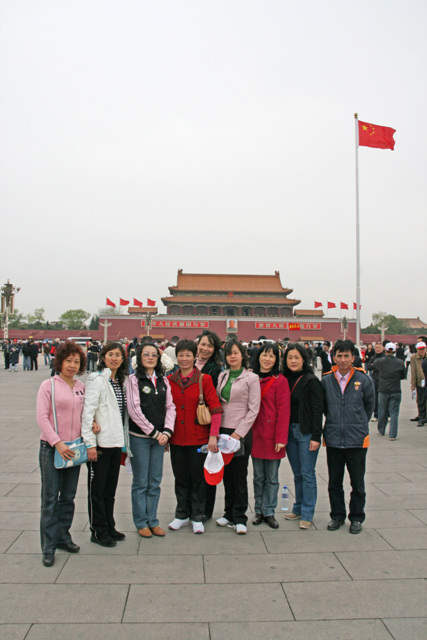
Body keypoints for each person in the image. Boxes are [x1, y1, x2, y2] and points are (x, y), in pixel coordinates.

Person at [36, 340, 86, 567]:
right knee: (50, 498)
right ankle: (48, 546)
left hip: (74, 448)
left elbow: (84, 415)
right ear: (60, 362)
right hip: (52, 448)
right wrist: (57, 443)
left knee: (68, 497)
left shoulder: (81, 386)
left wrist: (92, 425)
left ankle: (63, 536)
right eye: (68, 361)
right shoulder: (49, 385)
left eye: (76, 361)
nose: (72, 365)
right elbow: (42, 417)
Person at [168, 339, 223, 534]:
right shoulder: (170, 380)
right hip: (177, 439)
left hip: (198, 439)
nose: (184, 359)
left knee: (198, 479)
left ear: (194, 357)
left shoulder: (203, 379)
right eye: (181, 355)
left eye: (188, 355)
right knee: (180, 478)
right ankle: (182, 514)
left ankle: (198, 515)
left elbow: (216, 409)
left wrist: (213, 436)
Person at [321, 340, 374, 535]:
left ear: (353, 358)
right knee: (334, 483)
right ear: (333, 358)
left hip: (356, 440)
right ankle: (337, 516)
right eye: (339, 356)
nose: (343, 360)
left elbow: (369, 406)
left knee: (357, 483)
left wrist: (358, 424)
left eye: (346, 356)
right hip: (334, 439)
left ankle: (356, 517)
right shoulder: (326, 381)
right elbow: (324, 407)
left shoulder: (364, 379)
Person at [82, 342, 130, 548]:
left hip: (114, 443)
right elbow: (88, 412)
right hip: (100, 445)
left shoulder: (119, 381)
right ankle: (98, 530)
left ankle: (109, 526)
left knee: (110, 489)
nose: (114, 358)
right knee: (97, 490)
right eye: (110, 354)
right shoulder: (97, 379)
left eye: (118, 355)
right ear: (103, 358)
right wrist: (90, 444)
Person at [127, 342, 176, 538]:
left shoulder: (163, 380)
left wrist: (167, 432)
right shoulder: (133, 380)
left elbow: (170, 407)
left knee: (155, 481)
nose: (150, 358)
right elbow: (134, 410)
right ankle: (141, 522)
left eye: (154, 355)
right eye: (146, 354)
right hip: (140, 438)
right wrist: (155, 433)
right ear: (139, 358)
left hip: (159, 440)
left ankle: (153, 520)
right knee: (141, 482)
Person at [216, 339, 261, 534]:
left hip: (240, 432)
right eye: (228, 353)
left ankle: (240, 517)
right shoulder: (222, 376)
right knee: (227, 475)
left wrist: (238, 433)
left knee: (239, 475)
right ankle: (229, 513)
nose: (232, 356)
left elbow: (253, 409)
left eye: (235, 352)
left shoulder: (251, 378)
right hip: (223, 430)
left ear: (243, 355)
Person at [281, 343, 324, 529]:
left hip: (305, 432)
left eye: (296, 357)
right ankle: (298, 508)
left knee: (307, 473)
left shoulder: (311, 381)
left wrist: (316, 436)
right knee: (297, 473)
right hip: (289, 432)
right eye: (289, 357)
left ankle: (307, 513)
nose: (293, 361)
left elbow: (317, 410)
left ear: (304, 359)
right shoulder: (283, 378)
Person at [251, 342, 290, 529]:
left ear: (276, 360)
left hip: (273, 435)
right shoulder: (251, 377)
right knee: (258, 476)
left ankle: (269, 511)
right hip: (255, 434)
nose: (267, 359)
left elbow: (284, 411)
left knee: (272, 478)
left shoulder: (280, 381)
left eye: (271, 356)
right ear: (258, 356)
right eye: (264, 355)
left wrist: (281, 438)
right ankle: (258, 510)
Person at [195, 330, 224, 520]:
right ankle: (192, 507)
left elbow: (215, 401)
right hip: (188, 424)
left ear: (215, 350)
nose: (205, 349)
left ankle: (206, 510)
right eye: (203, 344)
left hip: (205, 422)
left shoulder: (215, 370)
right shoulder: (187, 363)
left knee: (206, 468)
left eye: (210, 346)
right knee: (192, 470)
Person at [373, 342, 406, 440]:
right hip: (395, 389)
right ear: (395, 351)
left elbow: (373, 366)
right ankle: (393, 434)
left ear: (385, 350)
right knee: (394, 412)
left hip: (383, 389)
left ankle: (381, 430)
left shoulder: (379, 361)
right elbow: (403, 376)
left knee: (382, 410)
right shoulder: (400, 362)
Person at [367, 343, 385, 422]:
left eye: (379, 347)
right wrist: (375, 365)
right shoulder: (373, 357)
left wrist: (374, 365)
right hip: (375, 380)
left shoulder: (385, 357)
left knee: (384, 399)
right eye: (376, 348)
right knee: (375, 398)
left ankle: (386, 414)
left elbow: (384, 367)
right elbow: (369, 367)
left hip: (384, 380)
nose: (377, 349)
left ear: (382, 348)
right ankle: (376, 415)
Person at [410, 342, 426, 426]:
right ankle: (421, 417)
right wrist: (413, 384)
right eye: (420, 349)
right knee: (420, 400)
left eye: (423, 349)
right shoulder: (414, 358)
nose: (422, 351)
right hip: (420, 382)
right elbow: (413, 372)